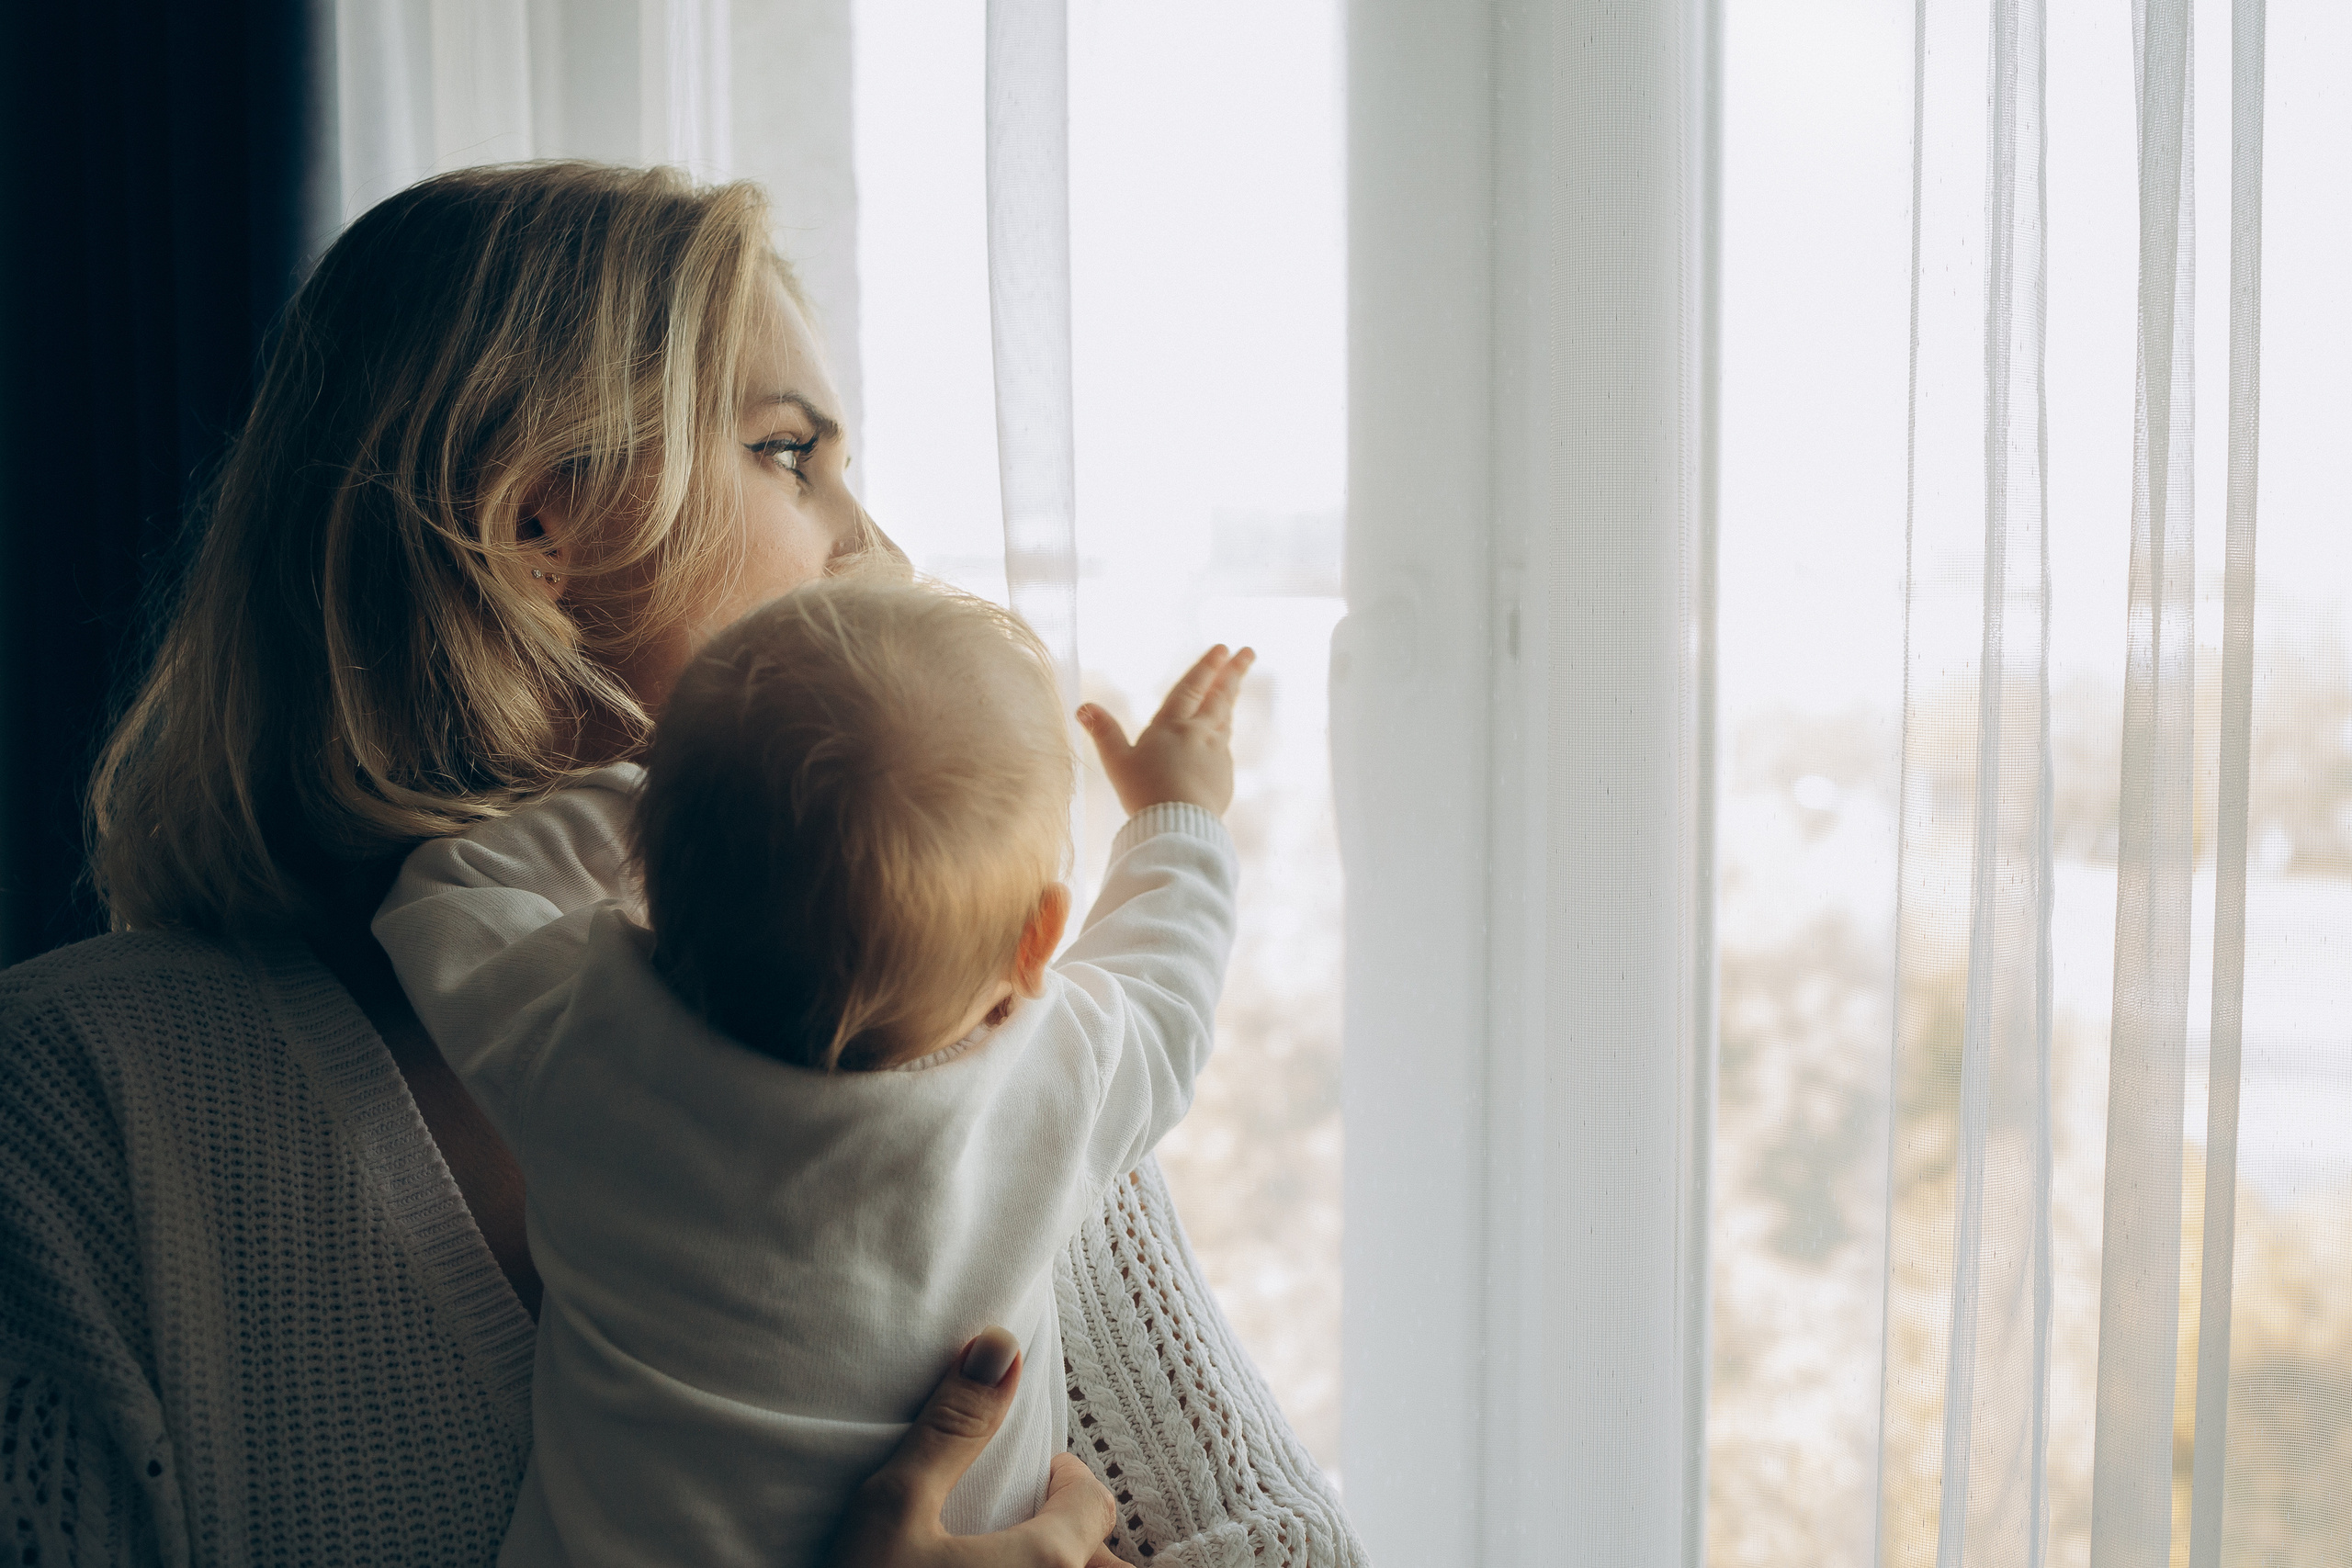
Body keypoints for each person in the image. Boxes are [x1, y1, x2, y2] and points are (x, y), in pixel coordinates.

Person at [0, 162, 1363, 1565]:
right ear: (536, 526)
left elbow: (1293, 1548)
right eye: (791, 452)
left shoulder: (961, 1020)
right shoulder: (70, 1112)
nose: (875, 544)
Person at [376, 577, 1253, 1563]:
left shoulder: (580, 1042)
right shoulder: (1060, 1078)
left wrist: (669, 794)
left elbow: (450, 892)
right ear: (1040, 934)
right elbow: (1169, 974)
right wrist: (1177, 812)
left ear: (649, 866)